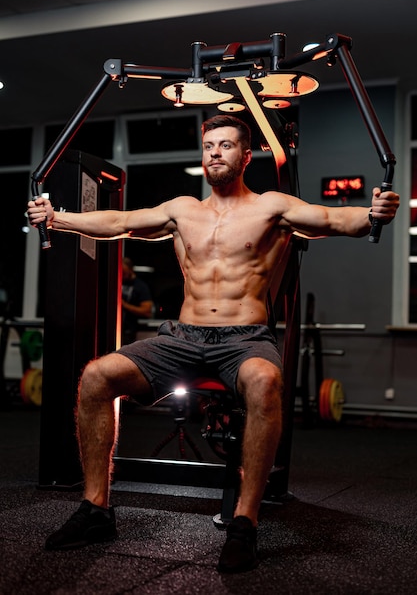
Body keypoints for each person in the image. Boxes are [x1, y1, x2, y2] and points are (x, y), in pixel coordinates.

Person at [27, 114, 399, 573]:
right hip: (182, 337)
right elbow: (120, 221)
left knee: (265, 382)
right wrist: (57, 218)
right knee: (97, 376)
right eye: (208, 146)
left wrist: (371, 213)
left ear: (246, 155)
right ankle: (96, 509)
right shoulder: (184, 210)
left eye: (225, 145)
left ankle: (245, 522)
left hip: (244, 339)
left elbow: (333, 218)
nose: (215, 153)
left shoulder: (272, 206)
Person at [121, 257, 154, 344]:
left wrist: (124, 305)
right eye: (120, 273)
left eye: (124, 273)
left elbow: (147, 311)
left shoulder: (140, 286)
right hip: (113, 329)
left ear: (130, 270)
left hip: (128, 331)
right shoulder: (116, 282)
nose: (122, 275)